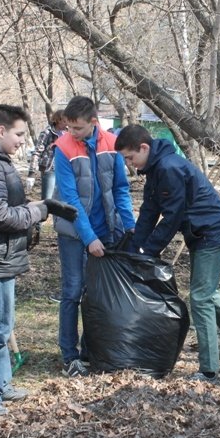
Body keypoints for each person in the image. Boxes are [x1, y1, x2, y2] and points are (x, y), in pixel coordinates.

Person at [0, 104, 77, 417]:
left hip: (1, 255)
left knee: (3, 325)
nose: (23, 142)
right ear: (1, 131)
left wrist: (43, 204)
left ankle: (2, 385)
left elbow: (8, 203)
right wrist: (39, 211)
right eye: (19, 134)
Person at [115, 124, 220, 383]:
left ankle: (209, 370)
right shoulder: (155, 170)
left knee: (200, 297)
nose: (129, 164)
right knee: (207, 291)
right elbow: (148, 212)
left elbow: (172, 217)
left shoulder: (169, 168)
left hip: (212, 233)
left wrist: (149, 251)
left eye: (130, 158)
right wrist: (135, 251)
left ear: (144, 148)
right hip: (200, 233)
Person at [52, 96, 137, 377]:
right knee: (73, 291)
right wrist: (89, 238)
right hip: (74, 234)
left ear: (93, 122)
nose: (71, 133)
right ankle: (70, 355)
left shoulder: (112, 144)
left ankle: (91, 351)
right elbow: (71, 200)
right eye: (68, 127)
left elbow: (121, 189)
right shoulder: (63, 148)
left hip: (107, 230)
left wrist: (129, 226)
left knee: (97, 293)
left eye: (76, 128)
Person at [26, 109, 68, 200]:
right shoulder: (47, 132)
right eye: (64, 121)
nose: (66, 123)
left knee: (62, 199)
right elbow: (37, 152)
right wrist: (31, 173)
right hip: (50, 169)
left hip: (64, 169)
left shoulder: (67, 133)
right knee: (47, 199)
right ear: (58, 120)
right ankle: (45, 214)